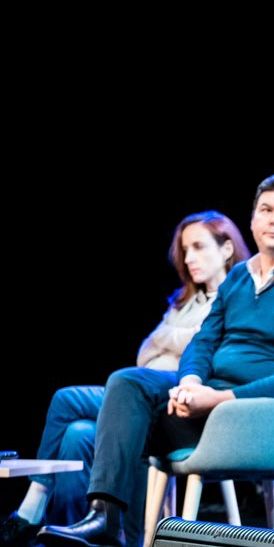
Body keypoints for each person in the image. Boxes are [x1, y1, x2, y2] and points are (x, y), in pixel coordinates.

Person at [35, 173, 274, 547]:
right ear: (252, 220)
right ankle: (108, 521)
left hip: (255, 416)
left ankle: (112, 529)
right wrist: (190, 384)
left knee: (124, 412)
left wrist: (214, 400)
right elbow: (203, 342)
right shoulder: (238, 277)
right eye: (265, 210)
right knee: (124, 388)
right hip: (207, 398)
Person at [0, 211, 249, 547]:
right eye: (184, 250)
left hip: (177, 400)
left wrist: (173, 343)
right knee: (77, 433)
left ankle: (33, 505)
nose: (189, 258)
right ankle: (71, 530)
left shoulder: (236, 297)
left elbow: (202, 350)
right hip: (150, 390)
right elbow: (145, 353)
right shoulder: (185, 300)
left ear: (226, 248)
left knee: (68, 399)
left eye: (198, 247)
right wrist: (177, 341)